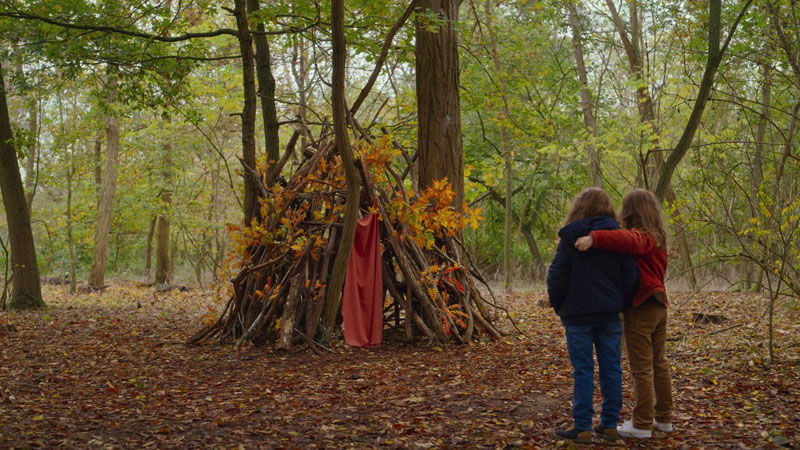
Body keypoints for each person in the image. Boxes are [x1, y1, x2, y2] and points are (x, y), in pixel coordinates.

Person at [575, 188, 673, 439]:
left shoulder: (643, 236)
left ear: (631, 211)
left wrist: (594, 238)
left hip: (643, 306)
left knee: (642, 367)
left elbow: (628, 240)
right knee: (658, 364)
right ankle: (663, 418)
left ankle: (641, 424)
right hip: (659, 305)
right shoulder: (658, 235)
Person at [547, 188, 639, 443]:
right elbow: (630, 277)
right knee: (611, 368)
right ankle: (609, 425)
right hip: (609, 315)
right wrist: (620, 303)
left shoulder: (570, 239)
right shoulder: (618, 239)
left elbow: (556, 277)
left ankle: (583, 426)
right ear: (608, 209)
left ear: (579, 208)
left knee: (583, 370)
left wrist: (561, 306)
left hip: (577, 316)